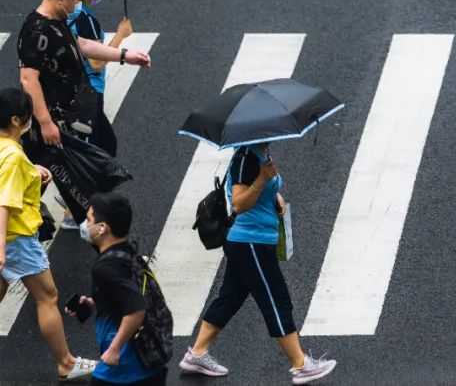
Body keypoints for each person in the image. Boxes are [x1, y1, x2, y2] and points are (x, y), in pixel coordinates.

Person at [180, 143, 336, 385]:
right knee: (276, 299)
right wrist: (262, 179)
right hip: (250, 242)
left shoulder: (259, 152)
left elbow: (258, 193)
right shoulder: (246, 158)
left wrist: (275, 196)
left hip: (252, 240)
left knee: (230, 297)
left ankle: (197, 354)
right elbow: (240, 203)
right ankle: (300, 364)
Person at [16, 0, 150, 226]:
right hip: (53, 129)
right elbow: (28, 80)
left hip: (66, 124)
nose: (79, 4)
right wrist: (45, 123)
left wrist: (125, 56)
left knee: (41, 191)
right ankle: (109, 250)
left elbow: (83, 45)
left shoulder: (57, 24)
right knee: (78, 197)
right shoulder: (37, 32)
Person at [0, 87, 97, 381]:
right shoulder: (13, 155)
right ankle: (65, 363)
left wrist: (34, 171)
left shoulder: (7, 150)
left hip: (10, 237)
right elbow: (4, 202)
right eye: (28, 115)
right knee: (47, 295)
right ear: (17, 120)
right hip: (16, 237)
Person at [65, 193, 167, 385]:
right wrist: (92, 302)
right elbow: (126, 294)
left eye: (88, 220)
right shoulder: (128, 253)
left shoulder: (105, 268)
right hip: (148, 355)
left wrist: (114, 349)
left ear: (102, 228)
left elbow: (137, 307)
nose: (85, 225)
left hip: (126, 363)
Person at [66, 0, 133, 157]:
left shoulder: (63, 11)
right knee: (102, 146)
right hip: (89, 90)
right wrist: (121, 34)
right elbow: (96, 62)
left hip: (67, 86)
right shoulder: (85, 20)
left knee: (98, 141)